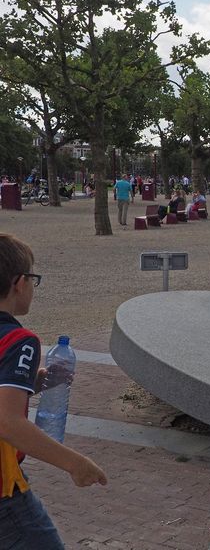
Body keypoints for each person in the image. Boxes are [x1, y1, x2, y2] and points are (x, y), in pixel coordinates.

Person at [0, 234, 107, 548]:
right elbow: (7, 422)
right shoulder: (19, 340)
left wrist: (29, 384)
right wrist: (75, 463)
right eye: (33, 279)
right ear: (20, 282)